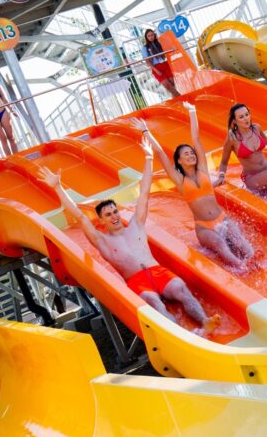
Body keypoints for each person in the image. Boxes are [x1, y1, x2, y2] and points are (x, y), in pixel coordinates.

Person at [38, 137, 221, 335]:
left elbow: (143, 192)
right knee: (154, 303)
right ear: (101, 221)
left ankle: (205, 321)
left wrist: (149, 159)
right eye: (108, 215)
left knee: (181, 288)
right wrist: (58, 188)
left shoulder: (136, 225)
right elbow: (80, 217)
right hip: (137, 281)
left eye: (115, 212)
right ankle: (185, 335)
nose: (114, 216)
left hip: (158, 271)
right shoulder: (102, 240)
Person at [138, 103, 255, 271]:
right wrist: (145, 131)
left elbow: (196, 139)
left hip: (222, 219)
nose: (191, 154)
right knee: (222, 245)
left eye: (191, 152)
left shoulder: (203, 170)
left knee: (240, 242)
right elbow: (161, 154)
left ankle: (253, 260)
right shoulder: (179, 179)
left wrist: (192, 111)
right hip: (204, 228)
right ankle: (241, 266)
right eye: (186, 153)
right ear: (179, 161)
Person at [143, 29, 180, 98]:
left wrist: (173, 47)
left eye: (152, 35)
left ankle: (178, 102)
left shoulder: (160, 43)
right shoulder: (145, 48)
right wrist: (156, 70)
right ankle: (182, 98)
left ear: (154, 35)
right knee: (167, 86)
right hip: (157, 67)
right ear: (146, 37)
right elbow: (147, 61)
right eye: (149, 36)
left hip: (166, 64)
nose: (151, 37)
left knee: (172, 84)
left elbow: (167, 49)